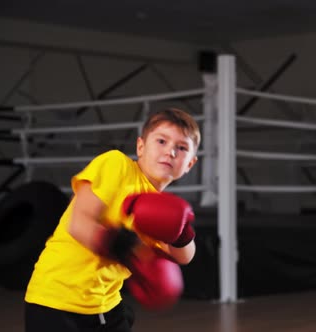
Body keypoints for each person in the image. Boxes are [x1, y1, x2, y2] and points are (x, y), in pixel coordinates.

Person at [24, 108, 200, 332]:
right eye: (162, 141)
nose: (170, 152)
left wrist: (182, 230)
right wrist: (126, 247)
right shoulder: (117, 165)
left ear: (190, 164)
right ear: (141, 147)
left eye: (181, 147)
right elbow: (79, 224)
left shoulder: (164, 209)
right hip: (55, 298)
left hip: (106, 305)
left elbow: (184, 256)